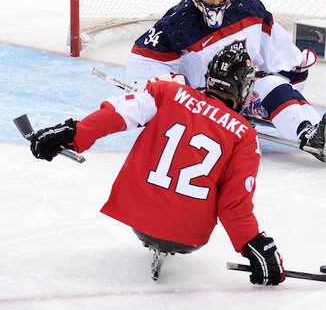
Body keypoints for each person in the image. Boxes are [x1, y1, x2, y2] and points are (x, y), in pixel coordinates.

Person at [30, 47, 285, 285]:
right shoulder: (244, 135)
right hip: (188, 234)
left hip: (136, 214)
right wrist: (254, 245)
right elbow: (233, 205)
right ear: (244, 87)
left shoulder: (167, 92)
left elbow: (115, 116)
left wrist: (72, 135)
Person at [127, 0, 326, 162]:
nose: (215, 1)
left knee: (275, 84)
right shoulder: (178, 22)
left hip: (243, 91)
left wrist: (292, 74)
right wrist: (172, 89)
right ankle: (316, 133)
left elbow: (274, 48)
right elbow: (143, 62)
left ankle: (312, 132)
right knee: (272, 87)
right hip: (202, 102)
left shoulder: (246, 6)